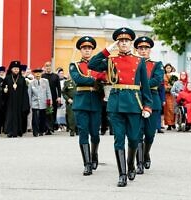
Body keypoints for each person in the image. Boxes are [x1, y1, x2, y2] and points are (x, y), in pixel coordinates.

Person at [88, 27, 152, 187]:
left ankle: (131, 165)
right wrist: (108, 49)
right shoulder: (111, 59)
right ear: (118, 43)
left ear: (131, 43)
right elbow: (92, 64)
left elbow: (145, 85)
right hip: (116, 104)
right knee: (118, 140)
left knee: (133, 138)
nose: (123, 43)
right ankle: (122, 174)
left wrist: (147, 106)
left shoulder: (139, 61)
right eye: (121, 41)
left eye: (126, 41)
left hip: (134, 102)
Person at [69, 36, 106, 176]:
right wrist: (95, 80)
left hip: (96, 102)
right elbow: (78, 79)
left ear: (92, 50)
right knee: (83, 132)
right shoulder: (75, 65)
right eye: (84, 48)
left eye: (89, 48)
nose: (87, 50)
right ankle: (87, 163)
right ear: (80, 50)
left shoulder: (99, 64)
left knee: (95, 134)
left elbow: (106, 75)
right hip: (81, 102)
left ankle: (94, 153)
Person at [134, 36, 164, 174]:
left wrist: (141, 84)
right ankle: (139, 162)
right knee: (137, 133)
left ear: (150, 50)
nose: (143, 50)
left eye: (146, 48)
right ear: (137, 49)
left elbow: (157, 80)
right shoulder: (133, 63)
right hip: (136, 99)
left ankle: (146, 153)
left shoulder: (157, 64)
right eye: (141, 48)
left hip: (152, 99)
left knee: (150, 134)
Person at [2, 61, 30, 137]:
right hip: (9, 102)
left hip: (19, 102)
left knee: (19, 116)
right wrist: (4, 91)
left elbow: (25, 92)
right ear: (11, 69)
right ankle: (10, 131)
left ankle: (19, 131)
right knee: (10, 116)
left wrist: (25, 103)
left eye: (17, 69)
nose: (16, 70)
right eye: (14, 68)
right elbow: (3, 88)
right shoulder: (7, 78)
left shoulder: (22, 79)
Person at [28, 68, 52, 137]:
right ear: (34, 74)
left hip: (43, 102)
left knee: (42, 118)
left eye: (39, 73)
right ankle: (35, 132)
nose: (38, 74)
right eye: (36, 73)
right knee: (35, 118)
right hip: (34, 103)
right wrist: (30, 104)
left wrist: (49, 100)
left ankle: (41, 131)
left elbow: (48, 91)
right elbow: (29, 94)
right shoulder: (31, 83)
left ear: (41, 74)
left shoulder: (45, 81)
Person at [42, 61, 62, 134]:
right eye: (47, 66)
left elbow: (59, 88)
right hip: (45, 97)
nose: (48, 67)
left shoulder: (55, 76)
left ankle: (51, 127)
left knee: (53, 112)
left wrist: (59, 96)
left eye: (49, 66)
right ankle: (47, 128)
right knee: (46, 112)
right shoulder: (42, 76)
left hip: (54, 97)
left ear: (51, 67)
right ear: (45, 67)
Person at [163, 64, 176, 130]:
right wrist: (167, 87)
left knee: (173, 109)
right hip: (167, 94)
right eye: (167, 68)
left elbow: (176, 84)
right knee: (167, 109)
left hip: (173, 95)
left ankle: (173, 123)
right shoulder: (163, 76)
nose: (168, 69)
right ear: (165, 69)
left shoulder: (173, 76)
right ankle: (169, 124)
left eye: (169, 68)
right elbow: (163, 85)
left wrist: (173, 87)